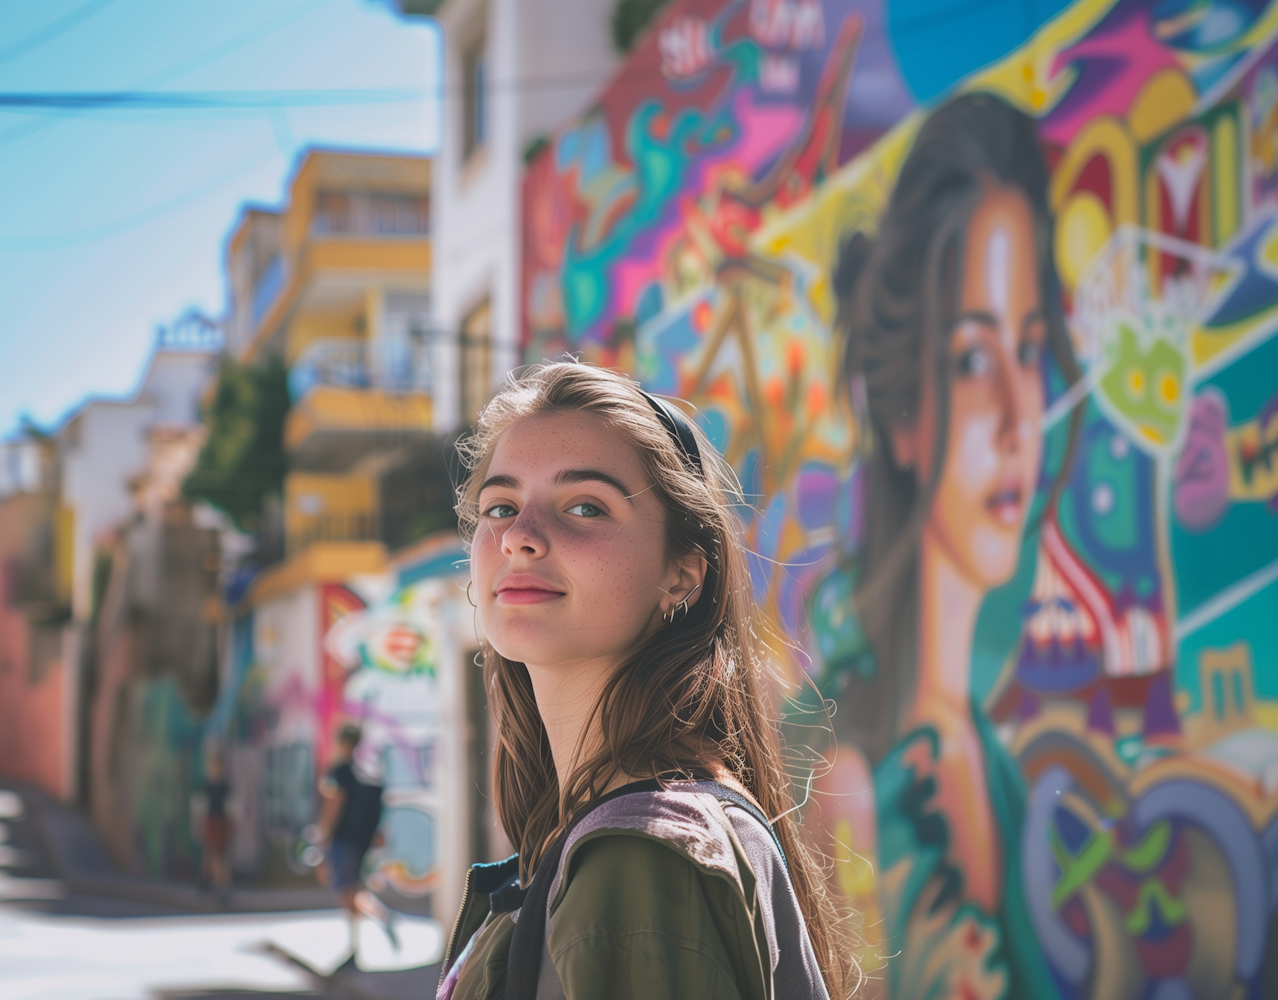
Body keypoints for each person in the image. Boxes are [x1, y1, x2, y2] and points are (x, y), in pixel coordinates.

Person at [436, 362, 851, 1000]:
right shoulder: (602, 830)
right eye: (500, 505)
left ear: (681, 575)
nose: (519, 536)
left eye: (585, 506)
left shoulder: (641, 853)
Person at [817, 91, 1081, 995]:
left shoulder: (992, 764)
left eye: (1030, 350)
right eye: (973, 359)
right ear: (902, 418)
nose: (1019, 417)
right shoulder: (848, 782)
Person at [317, 723, 384, 960]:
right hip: (358, 840)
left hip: (342, 839)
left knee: (346, 891)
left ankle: (355, 945)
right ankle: (372, 922)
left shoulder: (339, 771)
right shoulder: (358, 771)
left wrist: (323, 834)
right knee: (352, 888)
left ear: (343, 742)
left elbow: (334, 803)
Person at [200, 744, 233, 904]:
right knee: (212, 855)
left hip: (221, 823)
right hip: (211, 822)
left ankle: (219, 886)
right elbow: (201, 808)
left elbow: (230, 809)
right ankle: (210, 883)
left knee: (219, 856)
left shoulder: (224, 787)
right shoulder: (208, 787)